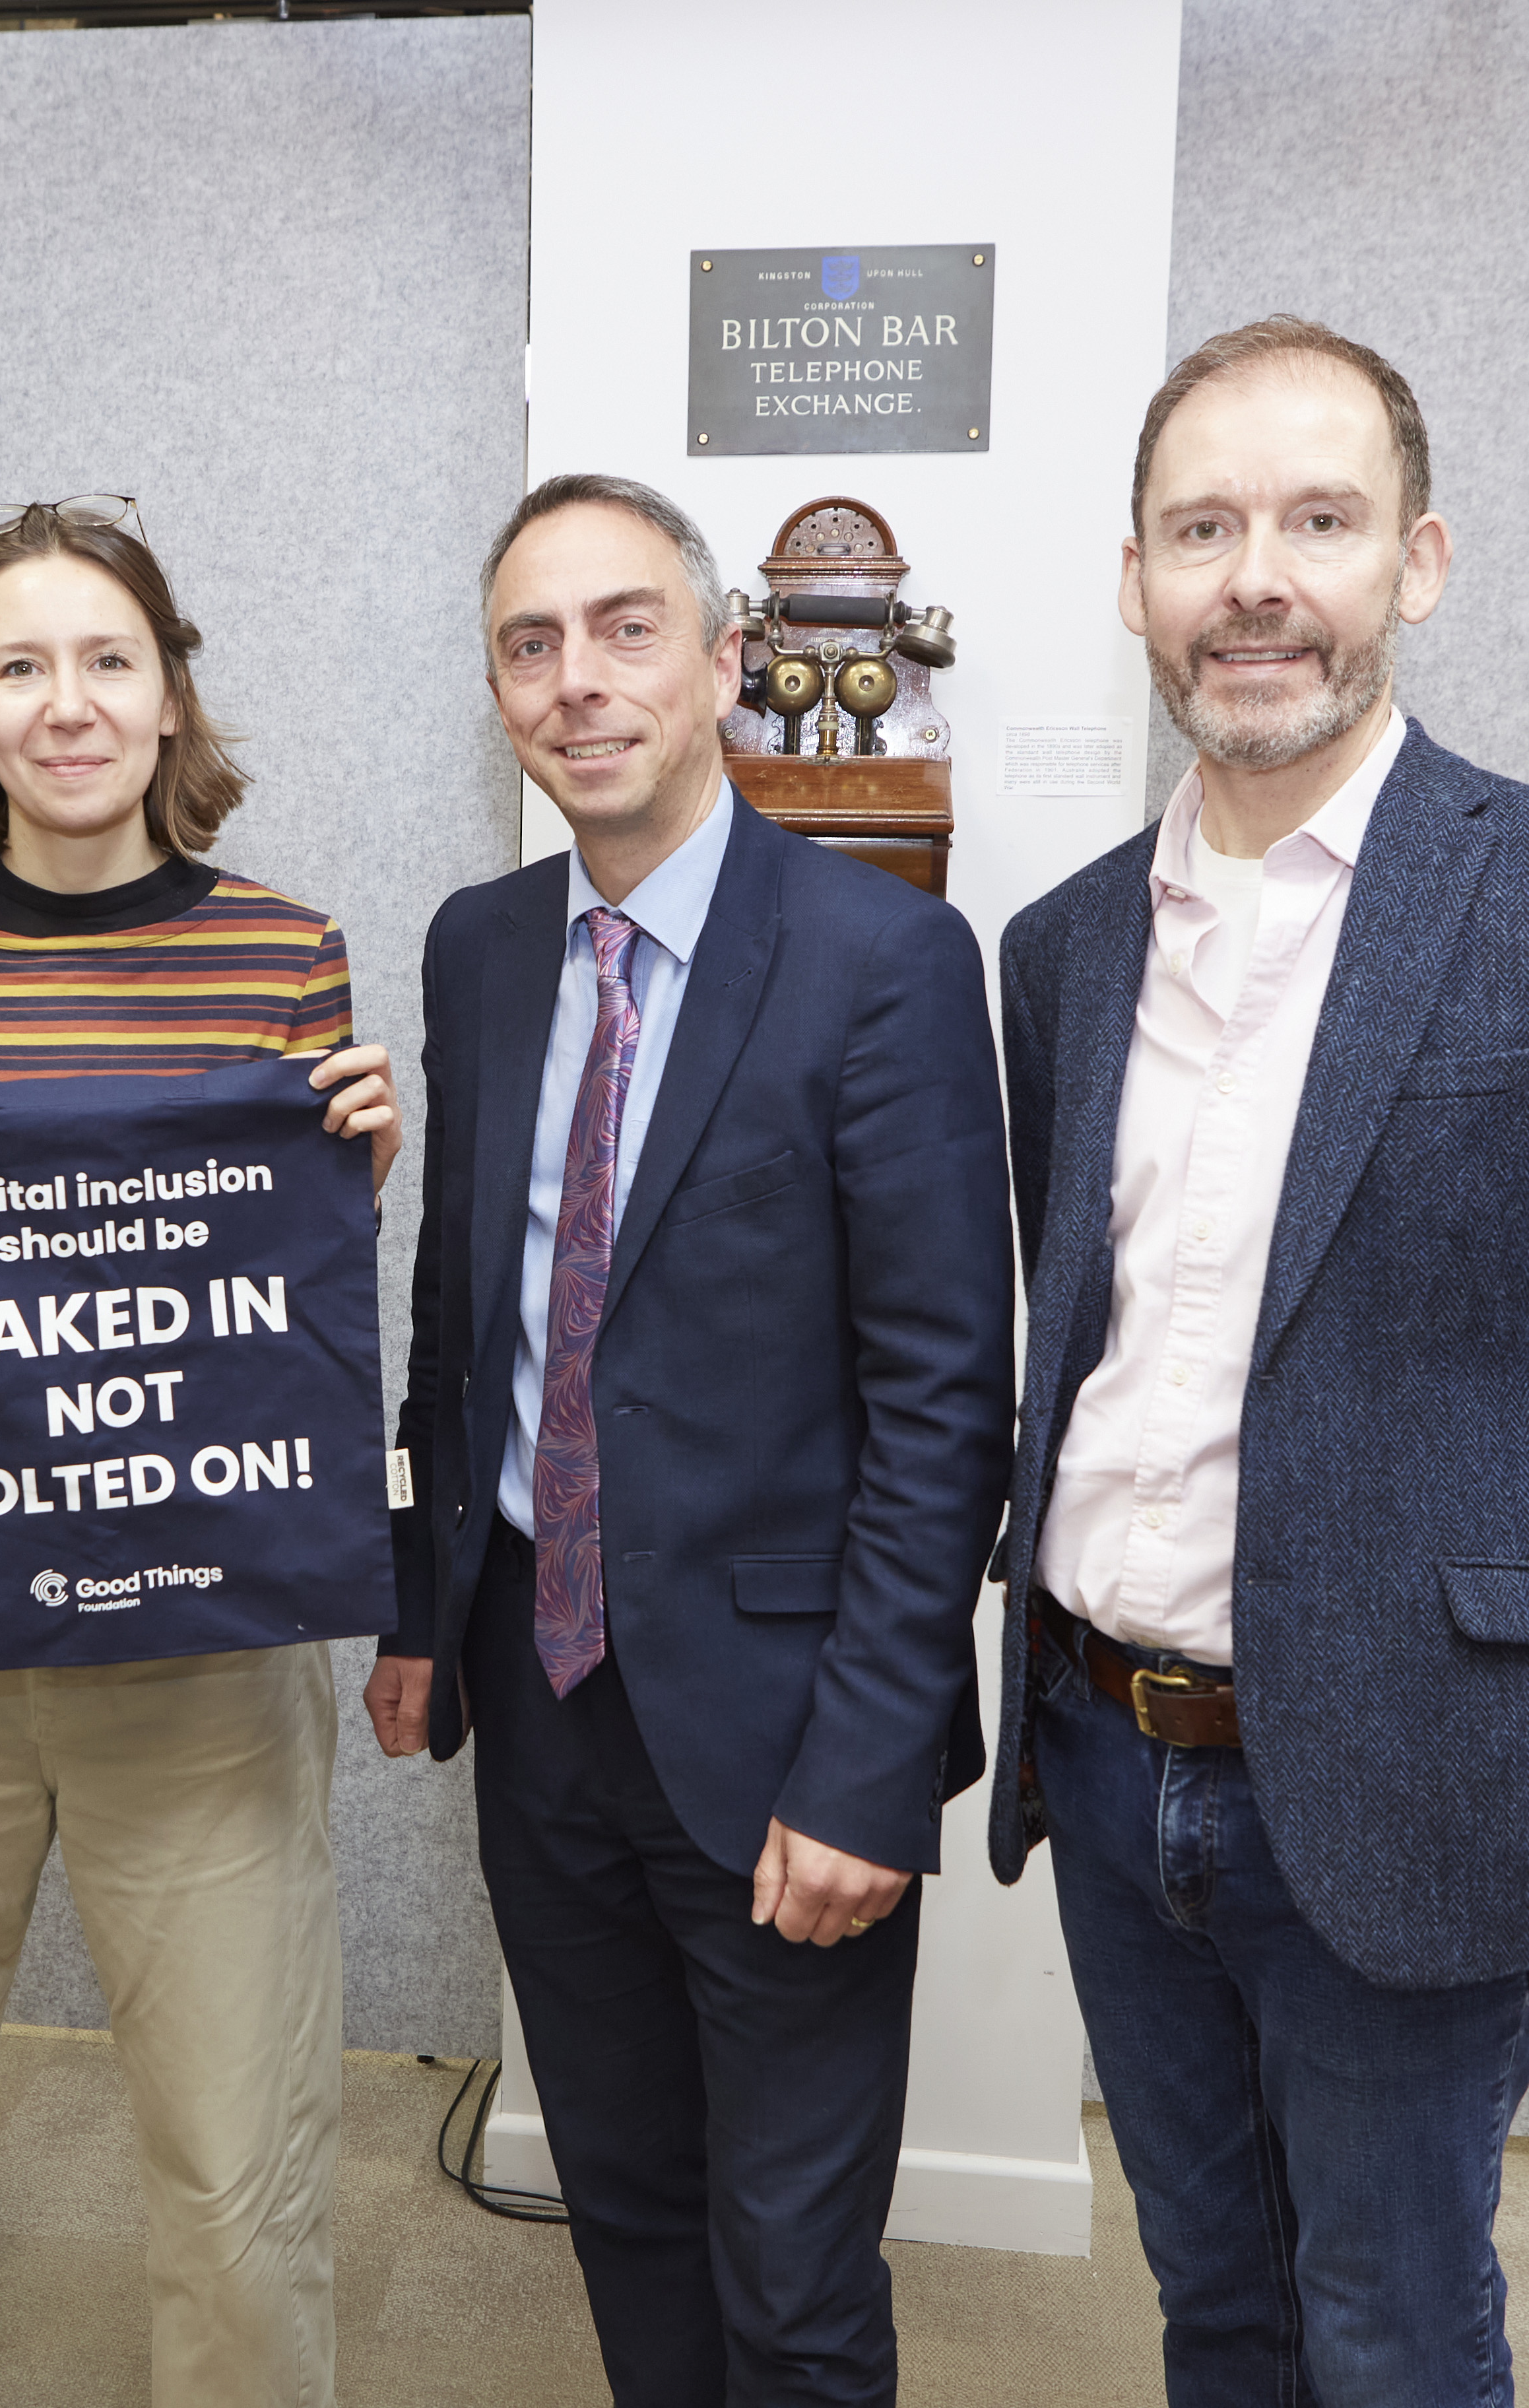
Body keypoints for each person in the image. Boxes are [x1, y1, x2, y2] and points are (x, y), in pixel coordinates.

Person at [989, 316, 1529, 2405]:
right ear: (1134, 584)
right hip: (1107, 1765)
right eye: (1203, 526)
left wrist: (1507, 1689)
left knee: (1395, 2333)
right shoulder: (1063, 948)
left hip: (1393, 1793)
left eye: (1318, 519)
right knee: (1218, 2315)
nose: (1254, 575)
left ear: (1417, 564)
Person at [365, 473, 1018, 2405]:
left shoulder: (883, 961)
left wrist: (870, 1767)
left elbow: (940, 1406)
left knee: (796, 2279)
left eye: (627, 627)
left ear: (727, 660)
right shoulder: (480, 947)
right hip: (539, 1697)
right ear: (498, 692)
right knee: (628, 2211)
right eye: (530, 643)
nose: (582, 681)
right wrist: (418, 1602)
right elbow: (459, 1311)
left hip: (781, 1732)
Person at [0, 494, 397, 2407]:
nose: (68, 702)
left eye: (109, 658)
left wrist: (349, 1180)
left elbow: (277, 1312)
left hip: (205, 1655)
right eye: (19, 664)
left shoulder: (286, 953)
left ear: (172, 692)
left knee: (235, 2161)